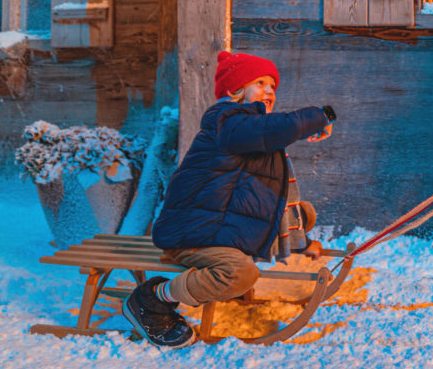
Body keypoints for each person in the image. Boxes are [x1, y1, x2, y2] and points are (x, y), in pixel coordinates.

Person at [124, 51, 337, 348]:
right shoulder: (225, 120)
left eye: (272, 86)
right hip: (193, 233)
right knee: (240, 273)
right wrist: (317, 116)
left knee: (304, 212)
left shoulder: (249, 133)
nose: (269, 90)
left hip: (217, 226)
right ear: (234, 90)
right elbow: (269, 130)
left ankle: (227, 273)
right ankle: (152, 299)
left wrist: (300, 240)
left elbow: (273, 192)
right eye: (260, 83)